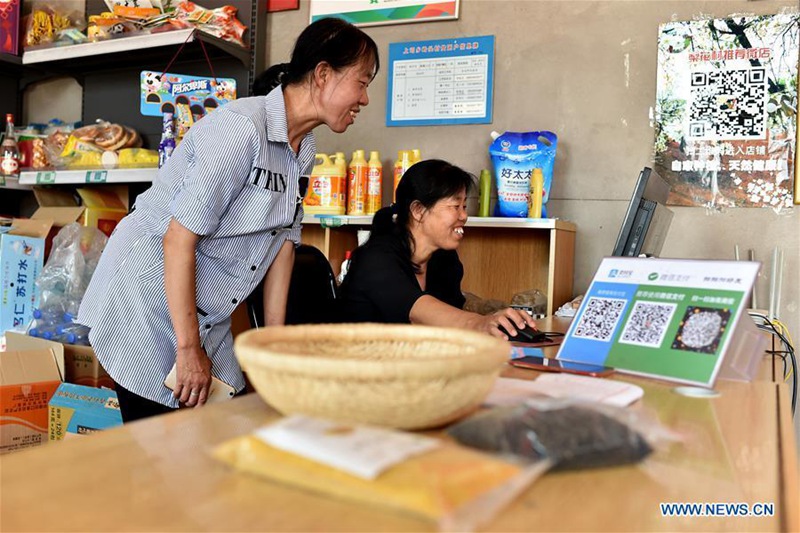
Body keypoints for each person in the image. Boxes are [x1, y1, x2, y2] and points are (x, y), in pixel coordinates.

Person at [78, 18, 379, 422]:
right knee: (162, 451)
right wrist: (187, 351)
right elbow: (178, 239)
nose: (365, 98)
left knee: (222, 432)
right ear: (323, 74)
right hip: (147, 302)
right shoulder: (240, 131)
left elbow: (282, 245)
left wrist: (272, 347)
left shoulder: (303, 147)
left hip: (205, 314)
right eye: (361, 82)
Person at [337, 159, 537, 339]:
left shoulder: (443, 258)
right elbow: (419, 312)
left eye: (464, 206)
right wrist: (480, 323)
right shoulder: (376, 260)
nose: (463, 216)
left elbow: (448, 320)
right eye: (455, 206)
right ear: (418, 210)